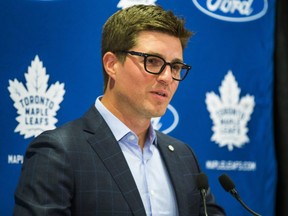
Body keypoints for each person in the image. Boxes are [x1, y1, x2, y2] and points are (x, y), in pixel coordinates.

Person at [14, 4, 226, 216]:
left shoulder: (183, 156)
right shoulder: (58, 152)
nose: (167, 78)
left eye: (176, 67)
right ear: (111, 64)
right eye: (152, 61)